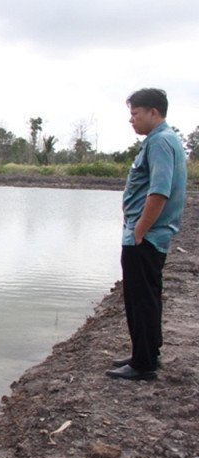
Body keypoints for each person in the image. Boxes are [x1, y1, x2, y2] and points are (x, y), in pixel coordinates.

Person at [106, 88, 187, 381]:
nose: (131, 120)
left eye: (135, 113)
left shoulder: (161, 142)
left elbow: (159, 191)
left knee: (141, 299)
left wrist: (139, 231)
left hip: (147, 238)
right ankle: (146, 352)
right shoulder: (161, 141)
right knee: (145, 297)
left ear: (154, 112)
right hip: (149, 236)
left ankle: (143, 364)